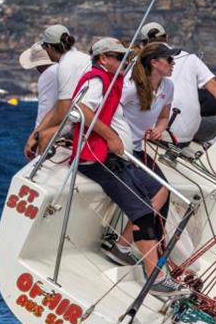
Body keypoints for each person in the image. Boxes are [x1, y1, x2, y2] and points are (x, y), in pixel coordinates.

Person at [39, 37, 179, 296]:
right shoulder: (97, 80)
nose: (125, 62)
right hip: (97, 158)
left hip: (115, 157)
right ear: (104, 58)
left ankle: (128, 251)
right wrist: (112, 137)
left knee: (158, 190)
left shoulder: (111, 81)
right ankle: (155, 278)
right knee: (143, 212)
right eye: (119, 57)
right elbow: (81, 108)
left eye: (126, 58)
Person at [109, 41, 179, 263]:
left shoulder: (167, 87)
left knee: (163, 191)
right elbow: (108, 111)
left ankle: (134, 246)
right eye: (169, 59)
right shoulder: (130, 87)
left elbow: (164, 118)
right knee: (160, 192)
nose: (173, 63)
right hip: (123, 150)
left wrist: (158, 130)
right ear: (154, 63)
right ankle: (123, 246)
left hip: (139, 149)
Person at [137, 22, 216, 143]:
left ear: (143, 44)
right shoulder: (190, 58)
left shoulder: (140, 60)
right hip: (186, 135)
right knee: (214, 122)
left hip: (157, 130)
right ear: (166, 38)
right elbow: (215, 87)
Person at [24, 24, 91, 159]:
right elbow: (60, 105)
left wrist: (36, 136)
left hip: (88, 121)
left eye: (44, 47)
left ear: (49, 47)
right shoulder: (80, 57)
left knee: (44, 137)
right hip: (89, 116)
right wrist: (35, 133)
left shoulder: (65, 66)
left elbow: (62, 110)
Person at [18, 42, 58, 127]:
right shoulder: (63, 68)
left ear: (37, 65)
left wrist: (36, 135)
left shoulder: (48, 75)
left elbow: (44, 111)